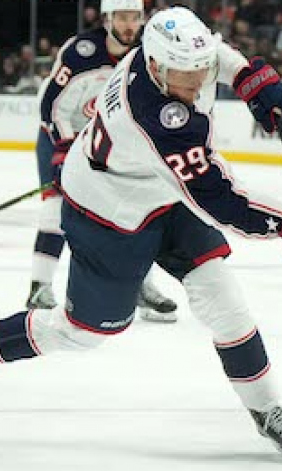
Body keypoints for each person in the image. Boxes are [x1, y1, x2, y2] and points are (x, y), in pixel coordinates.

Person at [0, 6, 282, 458]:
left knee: (224, 300)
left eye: (201, 72)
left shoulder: (170, 57)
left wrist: (252, 76)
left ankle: (266, 407)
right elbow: (220, 200)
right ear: (154, 67)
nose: (196, 84)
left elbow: (214, 52)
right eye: (184, 76)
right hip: (108, 211)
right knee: (85, 331)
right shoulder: (156, 117)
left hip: (164, 193)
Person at [29, 0, 178, 322]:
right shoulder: (81, 52)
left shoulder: (147, 54)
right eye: (122, 17)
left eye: (135, 17)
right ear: (107, 19)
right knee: (55, 209)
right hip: (63, 136)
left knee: (143, 209)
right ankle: (39, 287)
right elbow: (51, 107)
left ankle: (142, 286)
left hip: (112, 145)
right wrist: (64, 150)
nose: (129, 24)